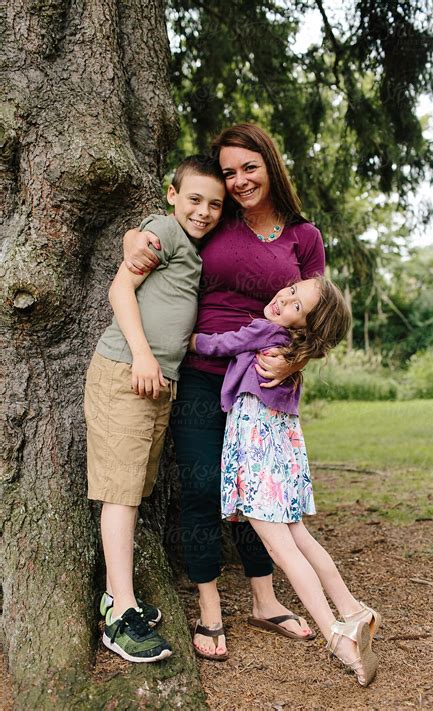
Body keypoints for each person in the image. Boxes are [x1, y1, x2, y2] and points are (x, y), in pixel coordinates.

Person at [123, 124, 325, 660]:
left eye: (248, 168)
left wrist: (294, 361)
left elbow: (320, 319)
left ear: (271, 165)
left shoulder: (304, 237)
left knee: (257, 495)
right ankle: (210, 607)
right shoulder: (216, 220)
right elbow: (164, 231)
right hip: (199, 371)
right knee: (200, 486)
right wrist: (133, 239)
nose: (237, 181)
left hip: (261, 386)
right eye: (229, 171)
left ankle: (264, 598)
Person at [188, 276, 381, 685]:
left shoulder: (266, 332)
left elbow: (222, 344)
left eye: (297, 305)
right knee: (301, 537)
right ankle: (353, 610)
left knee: (282, 548)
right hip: (283, 456)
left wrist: (190, 341)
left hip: (258, 457)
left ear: (305, 327)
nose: (284, 298)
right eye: (292, 289)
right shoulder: (294, 352)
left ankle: (337, 637)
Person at [84, 155, 226, 662]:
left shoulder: (193, 248)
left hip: (156, 385)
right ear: (172, 194)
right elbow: (120, 287)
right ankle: (119, 614)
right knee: (119, 493)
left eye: (215, 204)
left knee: (134, 489)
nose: (204, 211)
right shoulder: (162, 230)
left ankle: (115, 596)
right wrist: (144, 355)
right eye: (194, 199)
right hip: (126, 371)